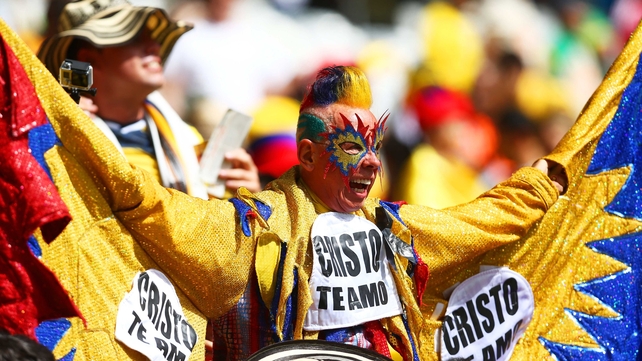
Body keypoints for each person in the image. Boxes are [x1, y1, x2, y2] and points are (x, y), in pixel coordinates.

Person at [53, 63, 566, 360]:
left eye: (375, 147)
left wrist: (558, 174)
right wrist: (77, 137)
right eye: (349, 148)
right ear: (307, 155)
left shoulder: (395, 230)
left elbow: (486, 220)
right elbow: (148, 205)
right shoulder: (248, 230)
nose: (369, 163)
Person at [37, 0, 261, 199]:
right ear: (88, 58)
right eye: (133, 37)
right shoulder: (53, 142)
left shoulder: (189, 142)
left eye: (152, 36)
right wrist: (57, 137)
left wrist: (249, 198)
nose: (155, 46)